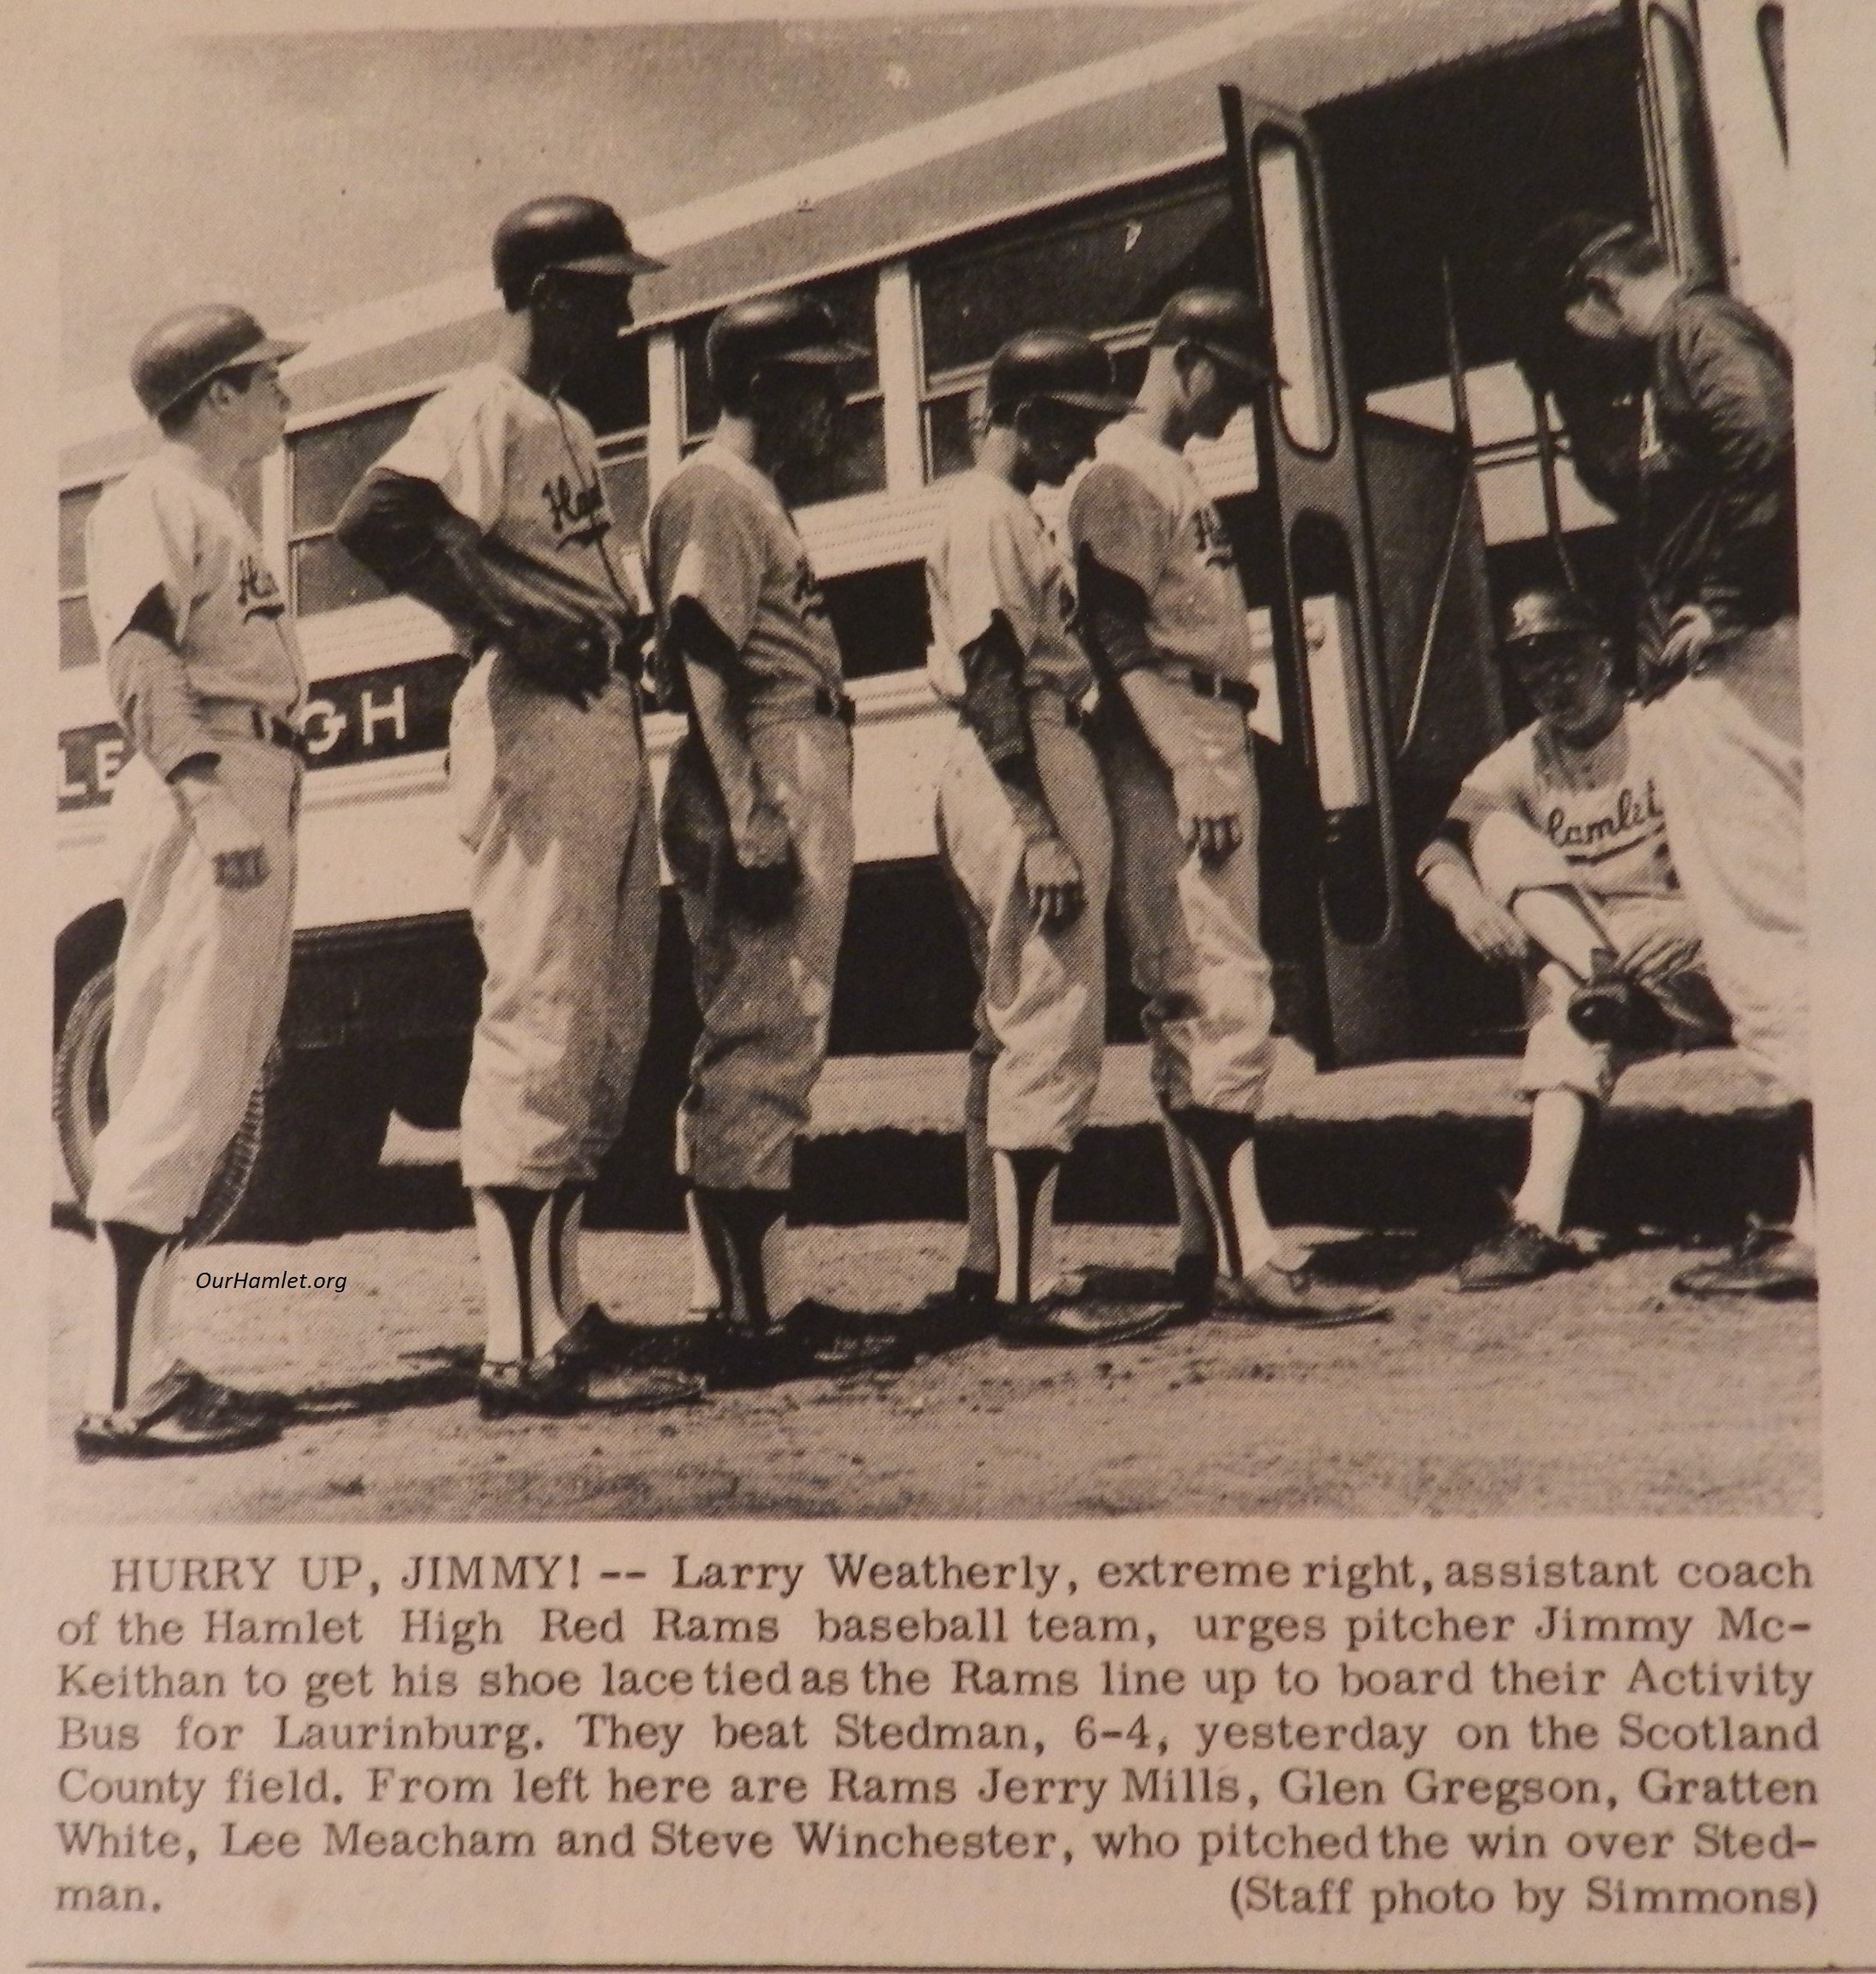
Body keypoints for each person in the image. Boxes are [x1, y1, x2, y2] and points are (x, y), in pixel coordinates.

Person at [334, 194, 701, 1415]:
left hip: (596, 722)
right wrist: (506, 620)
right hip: (533, 724)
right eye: (607, 289)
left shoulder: (566, 421)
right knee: (543, 1012)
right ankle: (516, 1345)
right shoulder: (479, 405)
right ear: (550, 295)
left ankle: (563, 1306)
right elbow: (375, 518)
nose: (626, 309)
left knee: (606, 1024)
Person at [1067, 288, 1384, 1328]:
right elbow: (1116, 641)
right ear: (1188, 357)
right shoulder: (1116, 472)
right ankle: (1253, 1252)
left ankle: (1204, 1246)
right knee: (1217, 986)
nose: (1242, 405)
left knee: (1196, 991)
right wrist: (1188, 764)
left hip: (1208, 726)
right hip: (1173, 736)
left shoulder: (1169, 470)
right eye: (1236, 383)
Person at [1526, 214, 1812, 1297]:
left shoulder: (1695, 332)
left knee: (1772, 939)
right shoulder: (1689, 347)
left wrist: (1725, 603)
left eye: (1583, 328)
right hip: (1727, 673)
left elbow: (1775, 442)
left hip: (1736, 675)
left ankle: (1828, 1230)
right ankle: (1819, 1210)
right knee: (1771, 940)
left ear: (1603, 294)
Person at [642, 289, 898, 1380]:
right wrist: (751, 805)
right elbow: (703, 647)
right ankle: (757, 1322)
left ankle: (738, 1300)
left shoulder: (748, 492)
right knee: (767, 1032)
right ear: (755, 387)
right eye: (811, 382)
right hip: (761, 755)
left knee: (759, 1033)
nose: (829, 406)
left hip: (785, 753)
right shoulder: (712, 488)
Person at [76, 304, 308, 1457]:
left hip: (248, 767)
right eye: (266, 378)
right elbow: (138, 655)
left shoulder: (214, 506)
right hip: (206, 776)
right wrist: (208, 794)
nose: (283, 397)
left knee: (203, 1083)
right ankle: (127, 1394)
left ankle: (148, 1368)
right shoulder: (148, 498)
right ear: (217, 392)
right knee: (177, 1084)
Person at [927, 330, 1169, 1347]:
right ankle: (1032, 1287)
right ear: (1023, 419)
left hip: (1010, 753)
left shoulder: (1009, 511)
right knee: (1052, 1014)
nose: (1085, 442)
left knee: (1009, 1018)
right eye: (1069, 422)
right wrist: (1039, 829)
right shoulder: (986, 512)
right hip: (1020, 751)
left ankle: (992, 1264)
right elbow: (990, 668)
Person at [1419, 587, 1729, 1286]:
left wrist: (1698, 916)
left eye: (1564, 661)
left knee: (1573, 983)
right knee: (1499, 850)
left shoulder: (1664, 728)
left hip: (1699, 942)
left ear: (1604, 653)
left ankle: (1606, 981)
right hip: (1601, 962)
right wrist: (1467, 902)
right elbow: (1437, 850)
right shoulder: (1521, 756)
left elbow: (1758, 840)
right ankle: (1535, 1220)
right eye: (1531, 669)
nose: (1550, 683)